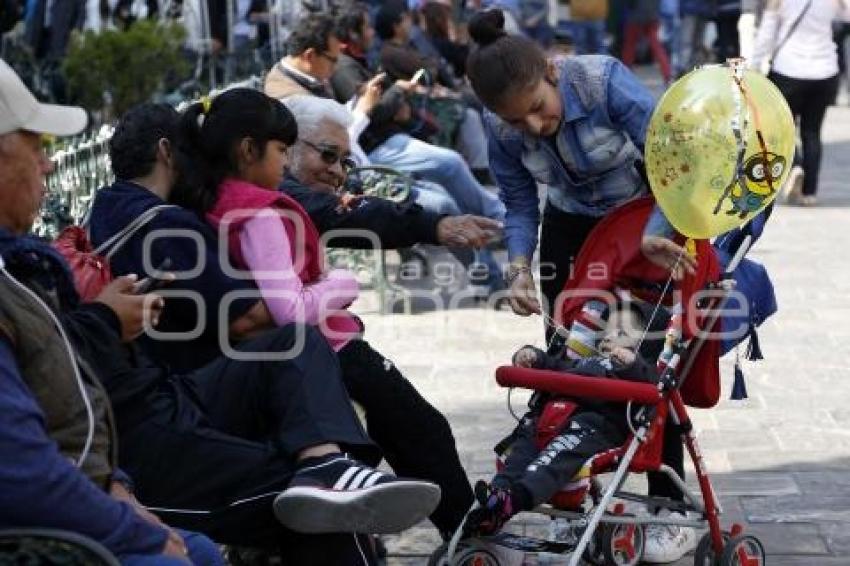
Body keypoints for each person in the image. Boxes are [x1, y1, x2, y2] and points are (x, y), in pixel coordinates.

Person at [86, 103, 442, 563]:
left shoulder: (109, 210)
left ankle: (328, 464)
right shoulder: (166, 224)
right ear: (167, 151)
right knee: (300, 356)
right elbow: (250, 317)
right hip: (171, 409)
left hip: (162, 394)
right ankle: (332, 470)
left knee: (312, 400)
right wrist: (334, 285)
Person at [169, 88, 475, 540]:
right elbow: (288, 308)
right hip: (320, 348)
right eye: (281, 151)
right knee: (422, 430)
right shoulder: (260, 213)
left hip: (273, 354)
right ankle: (472, 538)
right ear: (248, 150)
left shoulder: (217, 200)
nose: (286, 161)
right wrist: (340, 284)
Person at [464, 10, 697, 562]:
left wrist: (661, 234)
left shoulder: (600, 79)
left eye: (539, 110)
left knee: (640, 367)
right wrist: (518, 267)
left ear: (551, 71)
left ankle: (668, 508)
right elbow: (520, 203)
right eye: (518, 123)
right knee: (569, 361)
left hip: (644, 226)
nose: (535, 128)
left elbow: (672, 162)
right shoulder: (503, 126)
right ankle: (566, 490)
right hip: (571, 231)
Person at [0, 58, 221, 566]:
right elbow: (23, 470)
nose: (49, 164)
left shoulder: (20, 268)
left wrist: (118, 491)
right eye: (35, 146)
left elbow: (60, 405)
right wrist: (131, 529)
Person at [466, 304, 666, 535]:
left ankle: (514, 500)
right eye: (606, 331)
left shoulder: (637, 371)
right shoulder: (583, 363)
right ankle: (495, 500)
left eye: (621, 333)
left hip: (589, 427)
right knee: (519, 454)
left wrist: (631, 364)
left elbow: (651, 383)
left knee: (552, 460)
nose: (610, 337)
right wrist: (533, 356)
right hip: (551, 420)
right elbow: (553, 365)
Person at [750, 0, 850, 206]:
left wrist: (754, 66)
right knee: (812, 131)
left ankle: (795, 165)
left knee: (783, 130)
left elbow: (767, 33)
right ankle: (809, 192)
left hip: (788, 70)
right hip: (824, 71)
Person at [621, 0, 672, 84]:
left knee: (629, 46)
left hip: (636, 15)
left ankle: (624, 75)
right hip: (652, 15)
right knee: (656, 46)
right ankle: (667, 75)